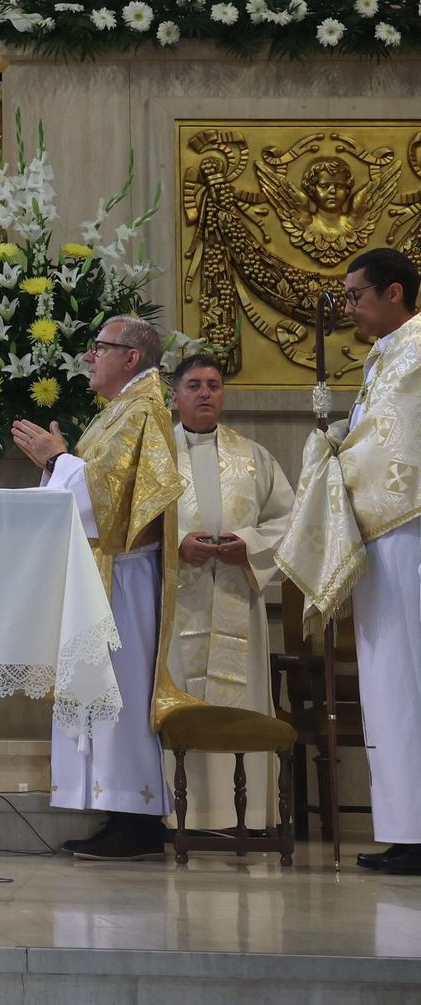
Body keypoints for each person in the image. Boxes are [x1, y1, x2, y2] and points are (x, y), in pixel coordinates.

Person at [11, 316, 181, 861]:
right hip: (108, 570)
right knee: (107, 693)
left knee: (122, 693)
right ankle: (119, 813)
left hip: (125, 575)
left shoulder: (142, 410)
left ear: (131, 357)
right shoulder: (124, 411)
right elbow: (99, 484)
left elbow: (107, 501)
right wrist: (61, 461)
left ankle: (138, 819)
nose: (90, 357)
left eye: (100, 348)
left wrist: (56, 460)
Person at [278, 247, 421, 874]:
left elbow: (402, 445)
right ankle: (404, 828)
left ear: (394, 293)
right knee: (388, 681)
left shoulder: (417, 352)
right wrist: (334, 445)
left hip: (408, 529)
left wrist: (344, 458)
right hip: (377, 535)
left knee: (408, 678)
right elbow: (375, 433)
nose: (348, 309)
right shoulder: (382, 356)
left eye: (356, 295)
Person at [163, 351, 294, 832]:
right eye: (194, 385)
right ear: (174, 397)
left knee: (238, 702)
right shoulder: (157, 455)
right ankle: (183, 814)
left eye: (213, 385)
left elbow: (288, 518)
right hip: (177, 602)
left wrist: (251, 545)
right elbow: (134, 521)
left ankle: (248, 816)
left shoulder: (253, 456)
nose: (204, 393)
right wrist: (177, 545)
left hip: (239, 595)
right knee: (182, 697)